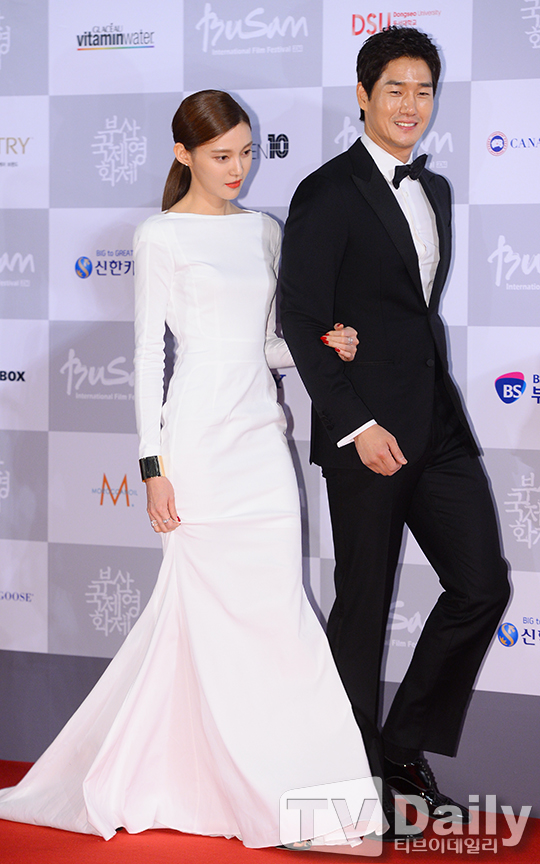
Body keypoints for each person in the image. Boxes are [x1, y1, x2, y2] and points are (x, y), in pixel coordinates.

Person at [0, 90, 384, 850]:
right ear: (184, 154)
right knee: (200, 622)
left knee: (279, 618)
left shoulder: (263, 230)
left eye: (246, 153)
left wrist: (320, 346)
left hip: (260, 442)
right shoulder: (160, 236)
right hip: (198, 446)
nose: (237, 168)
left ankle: (301, 801)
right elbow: (150, 356)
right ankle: (226, 790)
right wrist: (153, 466)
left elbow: (265, 345)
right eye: (221, 155)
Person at [280, 27, 510, 840]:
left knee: (482, 586)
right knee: (364, 610)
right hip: (366, 436)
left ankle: (400, 750)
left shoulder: (435, 189)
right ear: (363, 95)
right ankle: (350, 783)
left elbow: (411, 313)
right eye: (395, 90)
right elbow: (301, 317)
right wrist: (356, 425)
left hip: (437, 425)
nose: (411, 105)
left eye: (423, 90)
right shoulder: (327, 191)